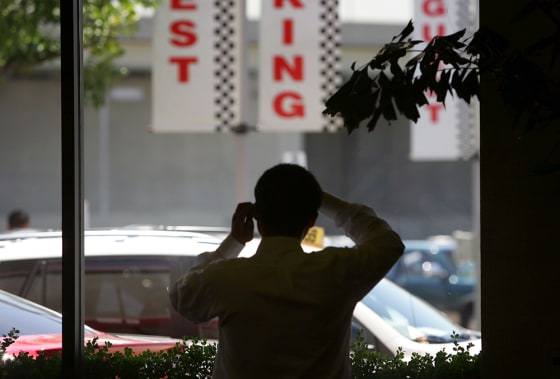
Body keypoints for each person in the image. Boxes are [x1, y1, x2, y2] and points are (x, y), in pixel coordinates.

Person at [169, 163, 404, 378]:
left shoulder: (227, 277)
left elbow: (182, 296)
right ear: (312, 219)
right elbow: (388, 244)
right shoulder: (336, 271)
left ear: (256, 215)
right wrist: (317, 197)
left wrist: (233, 241)